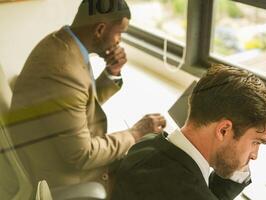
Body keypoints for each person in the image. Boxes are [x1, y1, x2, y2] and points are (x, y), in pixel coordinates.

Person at [6, 0, 166, 193]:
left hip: (59, 149)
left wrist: (111, 72)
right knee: (154, 175)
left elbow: (76, 101)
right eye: (119, 33)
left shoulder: (61, 43)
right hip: (66, 175)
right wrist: (135, 133)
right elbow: (83, 155)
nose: (119, 41)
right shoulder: (63, 70)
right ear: (99, 29)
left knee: (149, 155)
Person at [111, 64, 266, 200]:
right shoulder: (191, 193)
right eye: (256, 142)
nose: (255, 155)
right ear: (224, 130)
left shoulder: (146, 144)